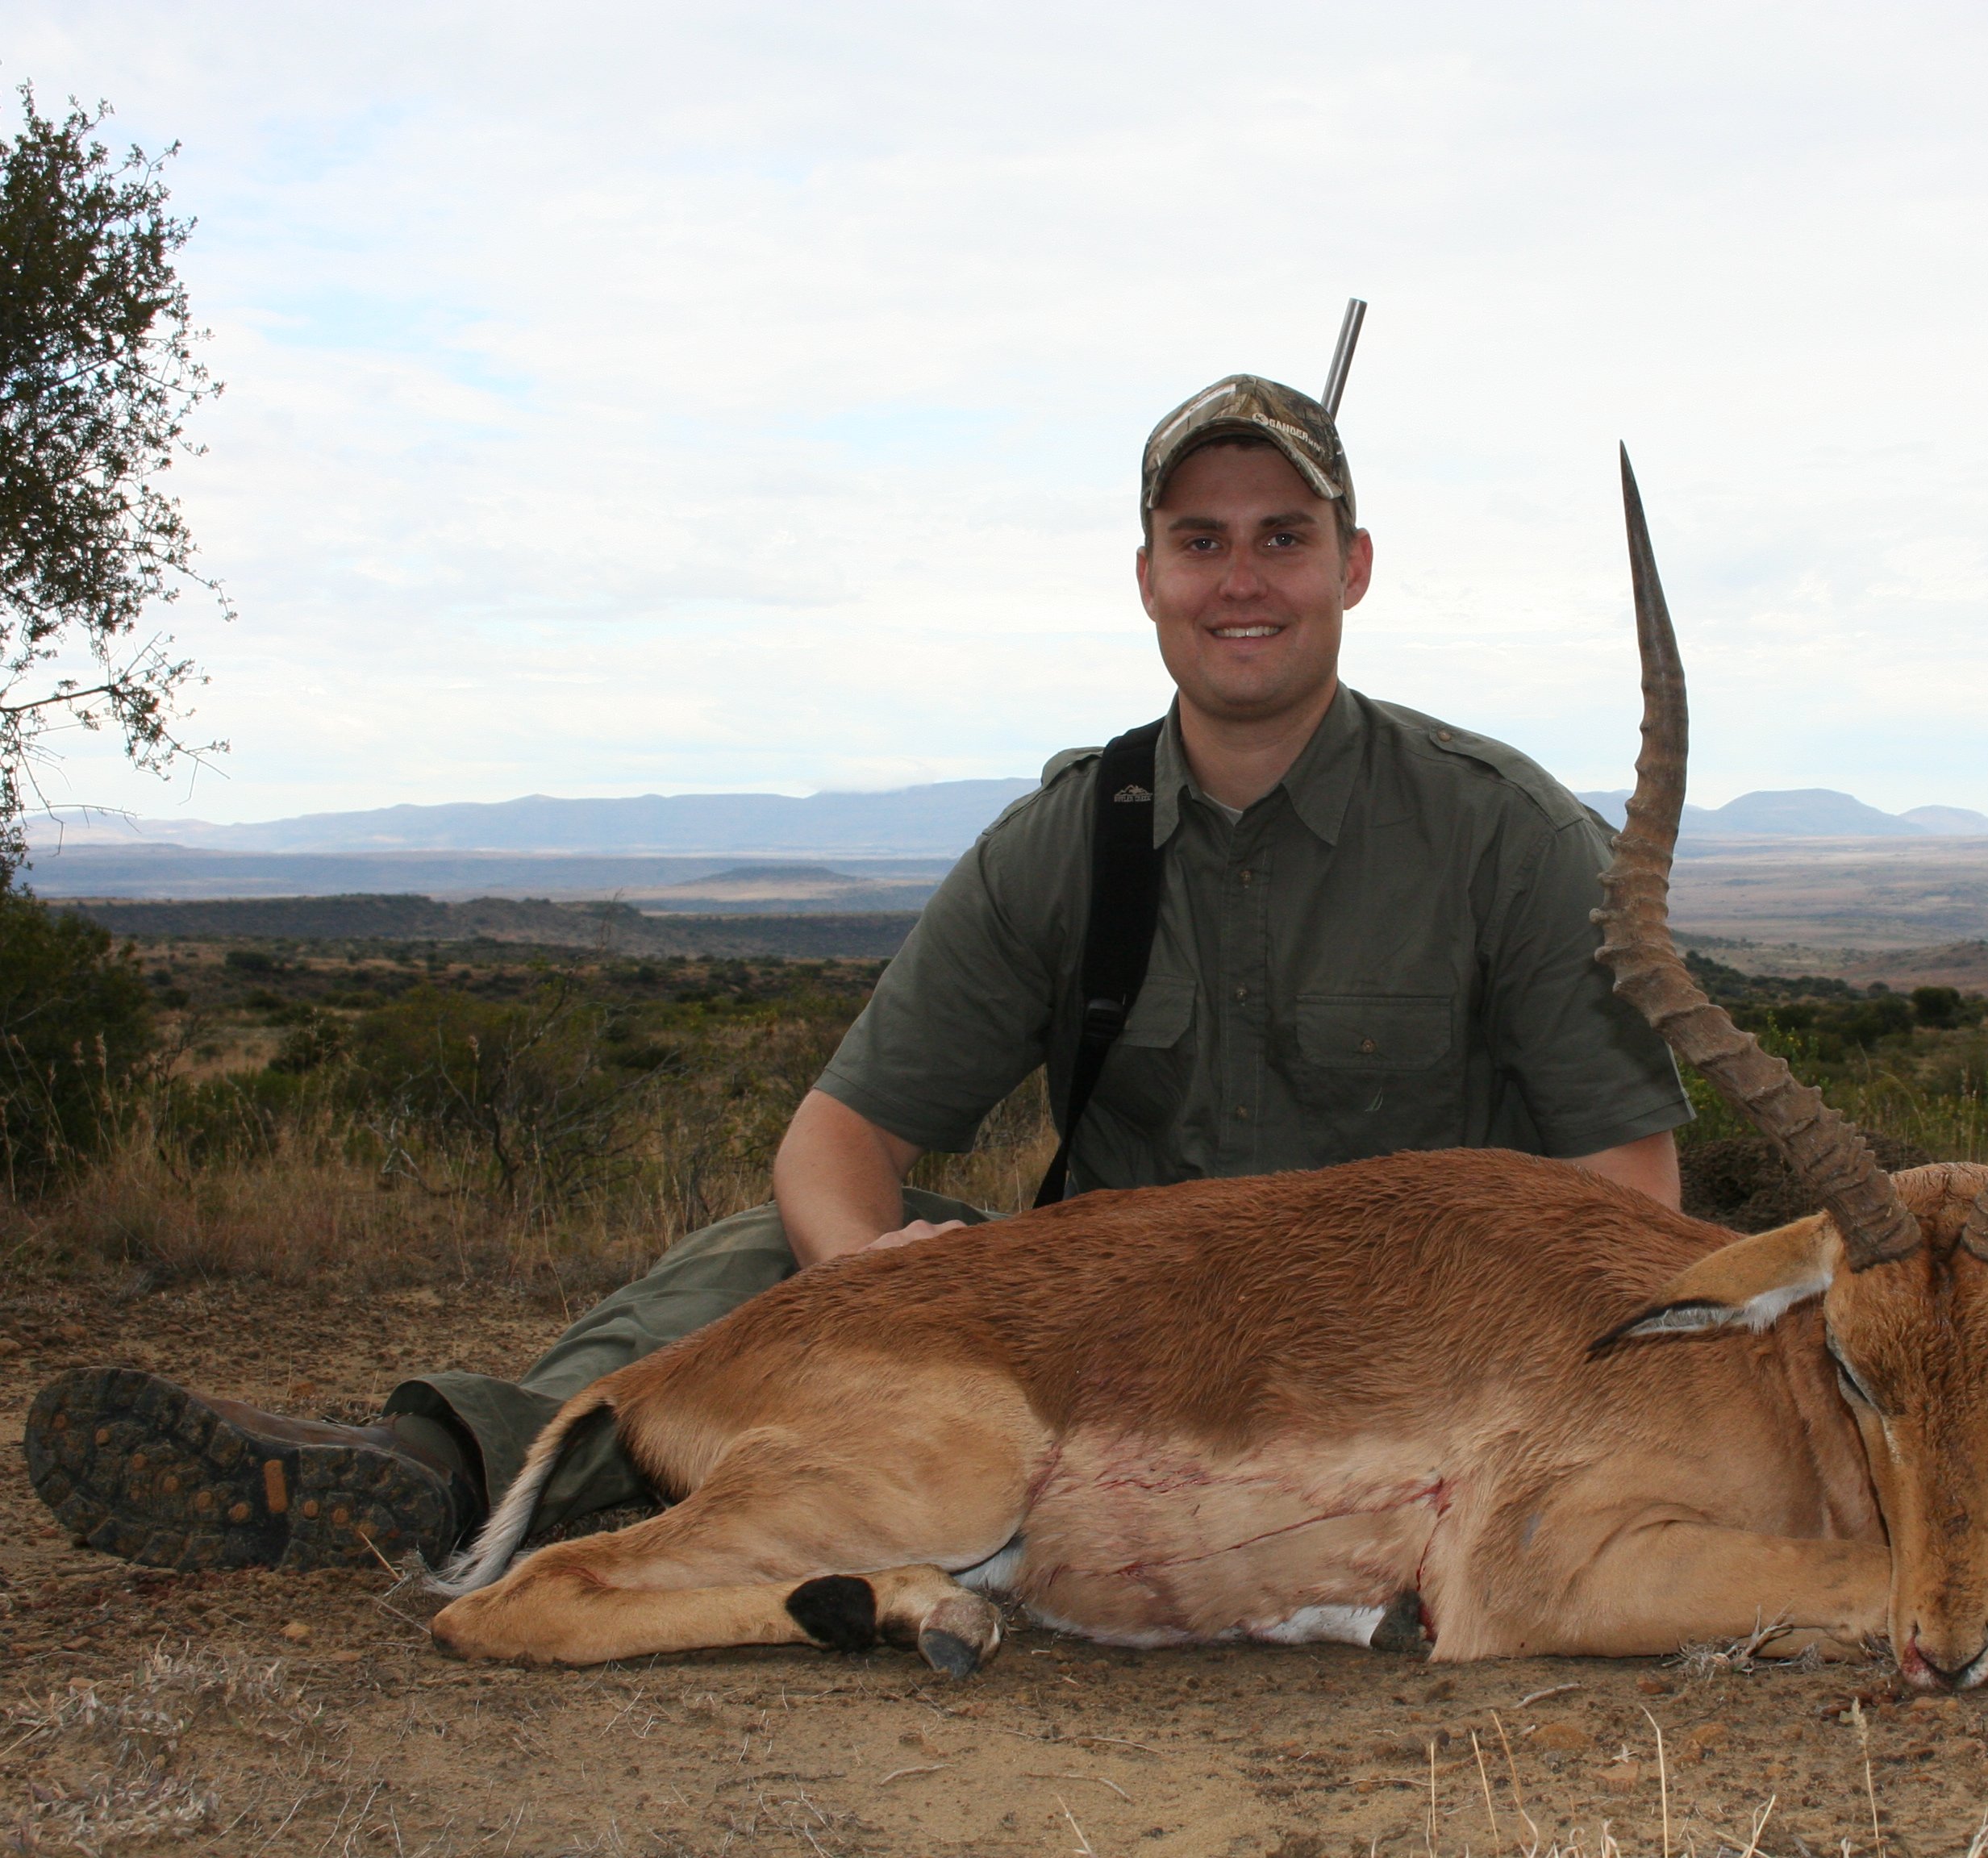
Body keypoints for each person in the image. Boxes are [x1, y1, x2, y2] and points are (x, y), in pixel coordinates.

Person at [26, 373, 1693, 1575]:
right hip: (1096, 1357)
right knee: (766, 1252)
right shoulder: (1073, 835)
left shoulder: (1507, 836)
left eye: (1281, 537)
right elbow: (835, 1146)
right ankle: (431, 1471)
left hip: (1394, 1391)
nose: (1240, 579)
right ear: (1148, 580)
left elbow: (1628, 1203)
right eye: (1201, 541)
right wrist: (865, 1276)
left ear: (1356, 565)